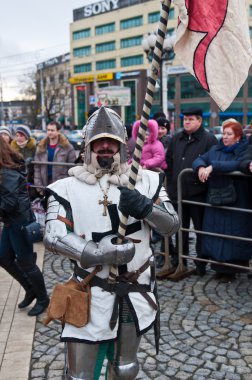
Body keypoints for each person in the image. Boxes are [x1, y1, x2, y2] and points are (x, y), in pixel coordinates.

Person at [43, 106, 179, 380]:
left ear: (122, 145)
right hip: (88, 291)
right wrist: (96, 253)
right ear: (88, 146)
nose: (105, 147)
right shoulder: (65, 188)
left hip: (132, 294)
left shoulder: (149, 181)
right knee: (79, 375)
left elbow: (171, 226)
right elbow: (53, 235)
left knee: (125, 369)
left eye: (111, 141)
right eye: (98, 141)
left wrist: (146, 208)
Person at [192, 119, 251, 282]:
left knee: (234, 235)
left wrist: (213, 167)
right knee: (216, 233)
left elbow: (238, 164)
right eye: (224, 133)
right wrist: (201, 167)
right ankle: (218, 268)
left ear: (238, 136)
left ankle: (232, 270)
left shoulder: (244, 149)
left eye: (229, 134)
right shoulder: (215, 149)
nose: (224, 137)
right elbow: (199, 159)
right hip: (216, 199)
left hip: (236, 200)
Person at [0, 136, 49, 316]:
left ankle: (43, 299)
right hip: (10, 221)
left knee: (27, 263)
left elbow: (9, 202)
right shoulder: (5, 169)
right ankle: (30, 289)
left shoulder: (8, 173)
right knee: (3, 257)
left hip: (19, 222)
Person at [165, 107, 217, 273]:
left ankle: (201, 263)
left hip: (199, 194)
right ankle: (180, 261)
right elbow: (169, 163)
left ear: (199, 121)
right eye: (185, 119)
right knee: (180, 229)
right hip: (178, 193)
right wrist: (172, 186)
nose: (186, 122)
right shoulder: (176, 138)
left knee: (200, 229)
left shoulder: (209, 139)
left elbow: (213, 163)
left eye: (191, 119)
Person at [34, 121, 76, 196]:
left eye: (52, 130)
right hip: (44, 185)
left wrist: (67, 187)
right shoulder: (41, 147)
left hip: (61, 187)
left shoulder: (68, 147)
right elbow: (37, 168)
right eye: (48, 130)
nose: (49, 132)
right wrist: (39, 187)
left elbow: (72, 169)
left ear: (58, 131)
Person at [11, 125, 38, 199]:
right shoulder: (12, 148)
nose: (18, 138)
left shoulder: (34, 147)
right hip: (16, 180)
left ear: (27, 136)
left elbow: (38, 162)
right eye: (17, 136)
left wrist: (32, 159)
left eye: (21, 136)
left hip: (31, 179)